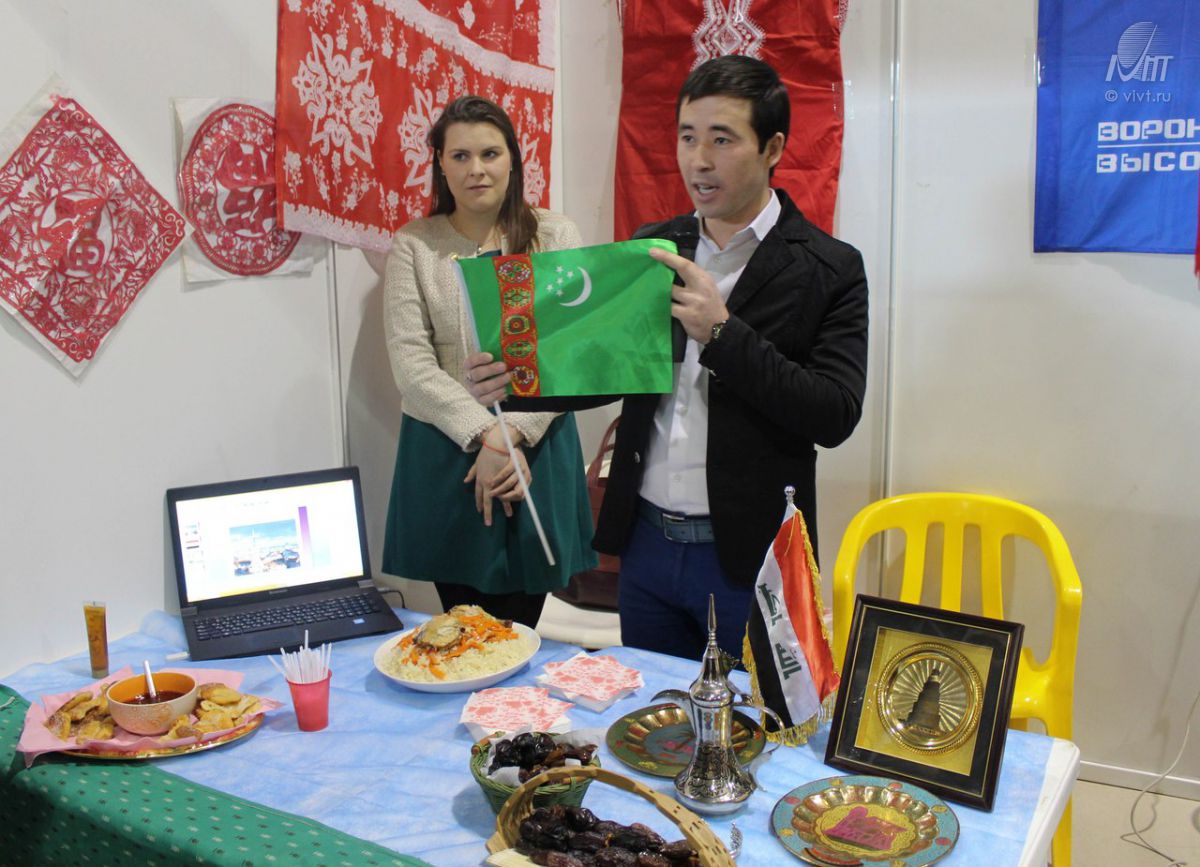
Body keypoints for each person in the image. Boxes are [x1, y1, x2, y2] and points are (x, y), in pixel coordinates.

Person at [466, 56, 868, 660]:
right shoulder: (656, 246)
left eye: (722, 139)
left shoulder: (828, 267)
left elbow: (833, 413)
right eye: (687, 137)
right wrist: (517, 379)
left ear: (773, 148)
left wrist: (722, 333)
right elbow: (608, 368)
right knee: (657, 710)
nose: (698, 160)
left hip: (749, 555)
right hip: (647, 544)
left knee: (751, 713)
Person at [381, 95, 596, 627]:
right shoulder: (414, 245)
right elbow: (412, 363)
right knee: (462, 632)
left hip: (537, 446)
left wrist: (511, 435)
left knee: (521, 630)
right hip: (446, 448)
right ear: (440, 164)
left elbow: (570, 350)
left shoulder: (555, 235)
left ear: (513, 160)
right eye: (460, 156)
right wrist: (485, 435)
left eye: (489, 154)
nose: (475, 169)